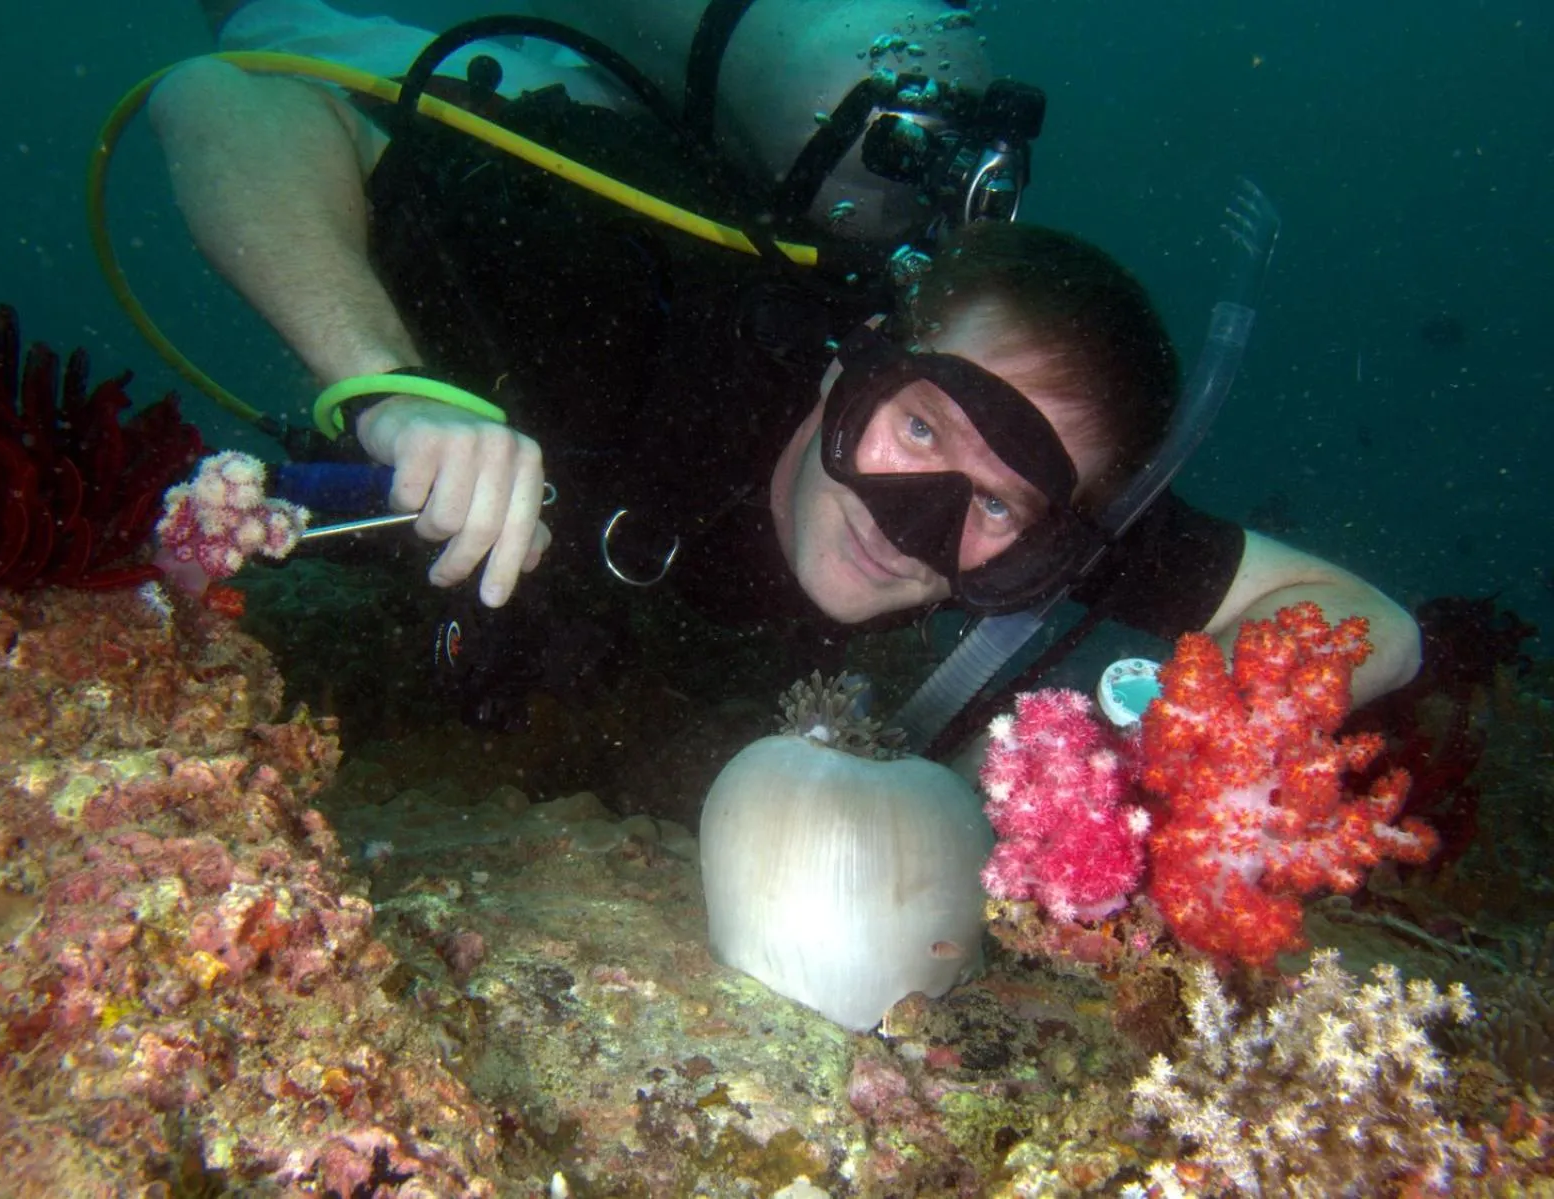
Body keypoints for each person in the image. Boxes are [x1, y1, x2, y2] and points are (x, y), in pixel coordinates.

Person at [151, 0, 1420, 739]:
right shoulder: (620, 299)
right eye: (921, 433)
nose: (913, 526)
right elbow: (223, 99)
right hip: (552, 147)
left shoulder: (1039, 513)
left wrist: (1194, 742)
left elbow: (1374, 626)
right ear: (849, 366)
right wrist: (391, 388)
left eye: (1000, 504)